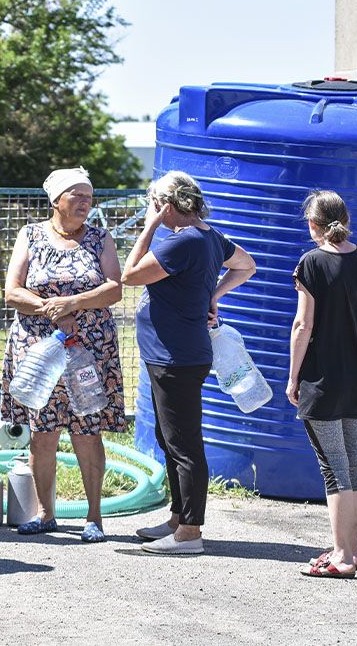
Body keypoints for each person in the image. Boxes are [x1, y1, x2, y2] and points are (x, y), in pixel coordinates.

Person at [123, 171, 255, 555]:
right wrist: (214, 295)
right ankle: (178, 517)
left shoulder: (183, 242)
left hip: (176, 357)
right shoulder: (210, 236)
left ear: (167, 204)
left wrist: (148, 228)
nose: (154, 212)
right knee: (170, 439)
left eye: (156, 205)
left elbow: (130, 275)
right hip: (172, 354)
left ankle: (190, 533)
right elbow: (247, 265)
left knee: (184, 445)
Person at [2, 167, 125, 543]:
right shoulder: (31, 235)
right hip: (39, 348)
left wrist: (72, 303)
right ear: (56, 200)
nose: (86, 203)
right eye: (78, 196)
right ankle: (45, 513)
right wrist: (53, 310)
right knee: (42, 432)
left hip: (89, 349)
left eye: (89, 197)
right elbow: (12, 292)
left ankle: (94, 517)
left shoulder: (100, 238)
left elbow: (114, 288)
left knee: (87, 431)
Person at [287, 190, 357, 578]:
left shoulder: (311, 262)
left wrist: (293, 377)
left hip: (323, 380)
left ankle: (342, 556)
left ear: (313, 223)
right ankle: (351, 550)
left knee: (335, 469)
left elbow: (302, 325)